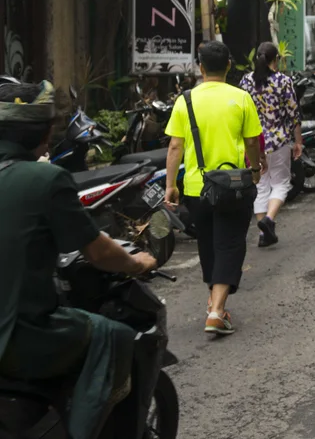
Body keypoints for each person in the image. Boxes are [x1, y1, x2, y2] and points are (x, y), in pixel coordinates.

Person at [0, 80, 156, 439]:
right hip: (18, 336)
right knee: (113, 335)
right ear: (42, 133)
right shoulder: (45, 178)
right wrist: (138, 263)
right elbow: (98, 252)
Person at [164, 41, 263, 336]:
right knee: (230, 243)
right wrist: (256, 170)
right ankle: (217, 311)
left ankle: (214, 303)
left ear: (201, 67)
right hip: (232, 186)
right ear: (229, 66)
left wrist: (171, 185)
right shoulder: (241, 98)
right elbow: (251, 142)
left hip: (197, 188)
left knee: (207, 245)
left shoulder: (186, 100)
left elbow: (175, 145)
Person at [240, 42, 303, 247]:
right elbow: (294, 114)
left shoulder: (246, 81)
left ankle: (263, 232)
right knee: (281, 183)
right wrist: (298, 141)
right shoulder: (283, 81)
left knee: (260, 184)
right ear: (275, 59)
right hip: (279, 140)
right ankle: (269, 219)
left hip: (253, 142)